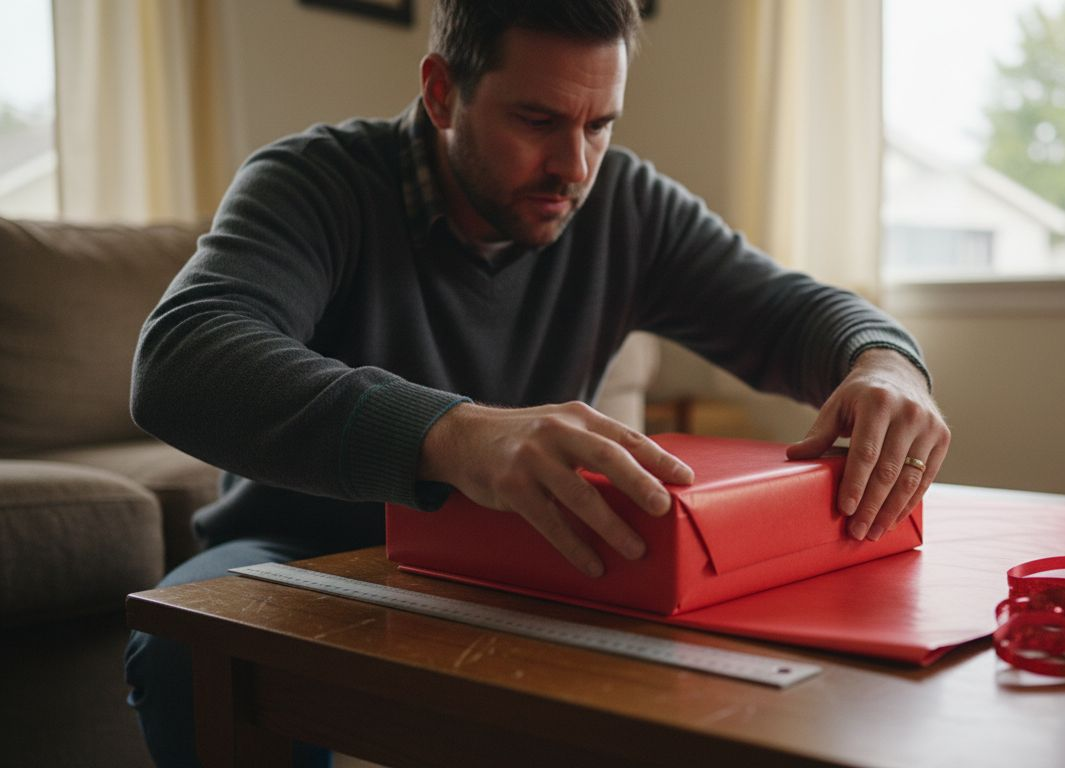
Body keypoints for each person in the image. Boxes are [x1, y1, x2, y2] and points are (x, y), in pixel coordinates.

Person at [124, 0, 950, 765]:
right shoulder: (315, 182)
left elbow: (794, 314)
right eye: (537, 120)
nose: (574, 165)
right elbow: (182, 357)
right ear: (442, 93)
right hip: (303, 549)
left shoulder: (626, 204)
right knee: (181, 649)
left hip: (539, 567)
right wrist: (455, 436)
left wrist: (886, 360)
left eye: (601, 124)